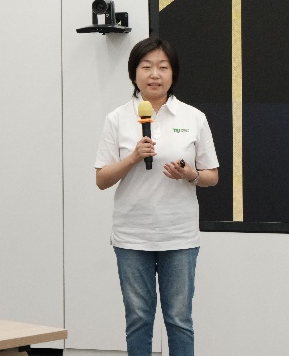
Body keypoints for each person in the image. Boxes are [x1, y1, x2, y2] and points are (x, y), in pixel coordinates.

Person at [94, 37, 219, 356]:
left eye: (163, 67)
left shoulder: (193, 117)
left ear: (173, 74)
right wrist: (133, 157)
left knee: (179, 320)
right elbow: (102, 179)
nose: (154, 74)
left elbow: (212, 176)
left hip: (179, 236)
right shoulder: (117, 118)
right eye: (146, 67)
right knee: (138, 319)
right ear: (133, 73)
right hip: (132, 237)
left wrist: (190, 175)